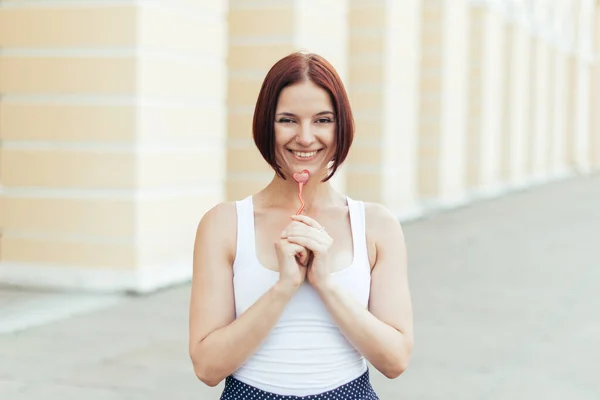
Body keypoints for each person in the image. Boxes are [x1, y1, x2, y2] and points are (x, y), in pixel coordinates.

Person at [189, 52, 414, 400]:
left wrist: (325, 284)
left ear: (342, 125)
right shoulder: (224, 225)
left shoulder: (376, 226)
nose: (306, 138)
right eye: (288, 120)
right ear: (267, 123)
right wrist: (284, 286)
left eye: (322, 120)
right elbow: (207, 367)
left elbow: (395, 360)